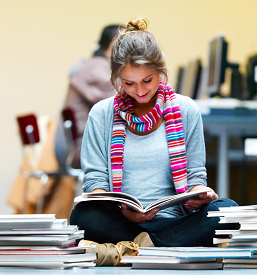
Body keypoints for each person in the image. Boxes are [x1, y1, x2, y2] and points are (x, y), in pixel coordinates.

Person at [70, 18, 238, 250]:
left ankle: (140, 247)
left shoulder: (186, 109)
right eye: (129, 83)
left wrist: (201, 195)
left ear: (160, 71)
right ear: (117, 79)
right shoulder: (102, 114)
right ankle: (162, 246)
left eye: (147, 80)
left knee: (227, 210)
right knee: (84, 215)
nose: (139, 91)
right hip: (122, 223)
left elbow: (195, 178)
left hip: (176, 221)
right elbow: (95, 183)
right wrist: (122, 211)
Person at [54, 24, 123, 169]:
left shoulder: (94, 66)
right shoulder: (97, 70)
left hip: (75, 146)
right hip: (80, 150)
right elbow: (124, 104)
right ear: (113, 45)